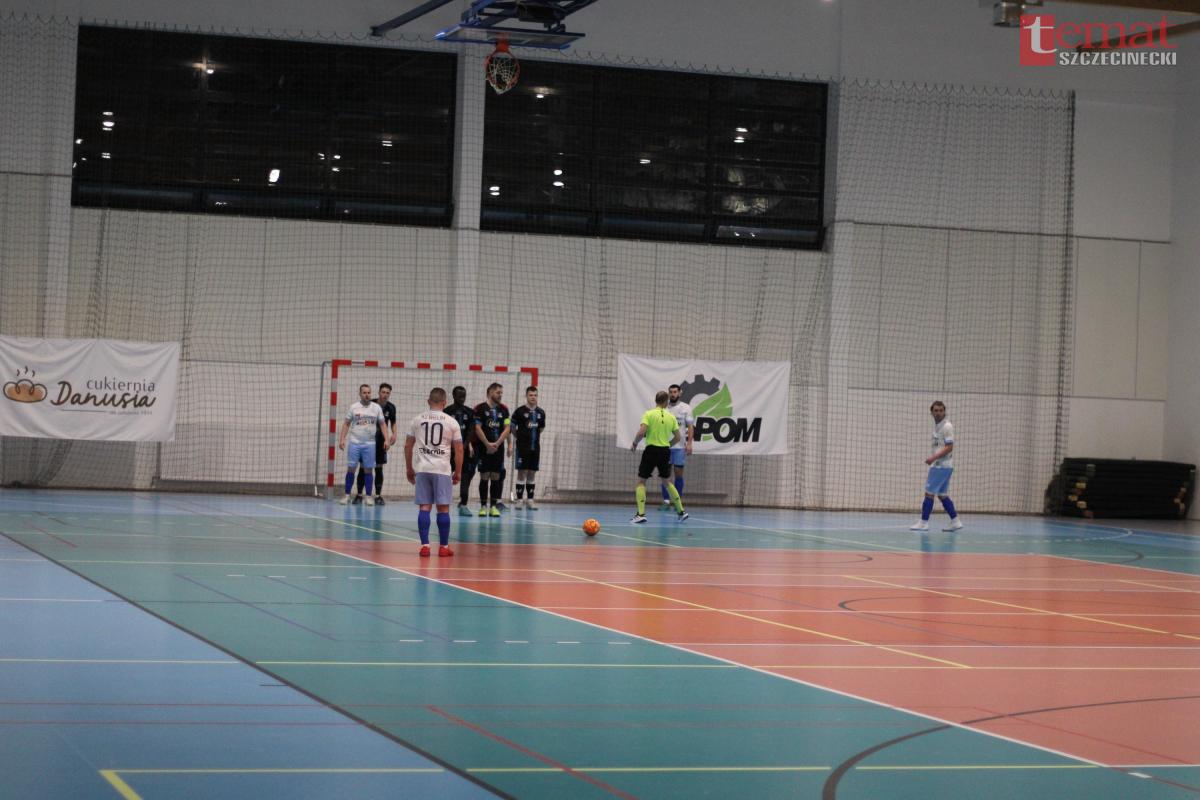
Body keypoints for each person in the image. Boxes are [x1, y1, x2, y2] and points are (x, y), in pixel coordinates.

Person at [404, 387, 464, 557]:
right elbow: (459, 449)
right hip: (442, 469)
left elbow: (408, 445)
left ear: (428, 401)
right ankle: (443, 547)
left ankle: (425, 546)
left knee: (424, 507)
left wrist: (409, 468)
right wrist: (458, 472)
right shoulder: (452, 422)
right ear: (445, 402)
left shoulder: (417, 420)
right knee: (443, 509)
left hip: (423, 469)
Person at [629, 390, 688, 524]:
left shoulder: (649, 414)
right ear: (666, 402)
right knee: (667, 481)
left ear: (655, 401)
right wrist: (667, 444)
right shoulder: (671, 417)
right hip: (665, 451)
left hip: (651, 450)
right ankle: (681, 511)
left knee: (641, 481)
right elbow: (678, 437)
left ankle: (641, 514)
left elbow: (641, 432)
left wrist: (635, 443)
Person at [910, 400, 964, 532]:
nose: (938, 413)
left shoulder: (947, 426)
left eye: (941, 410)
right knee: (942, 494)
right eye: (936, 411)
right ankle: (955, 521)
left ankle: (923, 522)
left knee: (929, 493)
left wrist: (933, 458)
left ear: (944, 411)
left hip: (941, 466)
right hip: (944, 466)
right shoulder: (938, 426)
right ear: (932, 412)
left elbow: (949, 447)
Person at [337, 384, 392, 507]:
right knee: (351, 468)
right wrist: (342, 439)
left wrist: (387, 439)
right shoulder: (354, 407)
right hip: (355, 443)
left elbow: (383, 424)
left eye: (369, 393)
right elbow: (346, 423)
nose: (367, 395)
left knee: (368, 469)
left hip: (370, 444)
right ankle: (347, 495)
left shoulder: (376, 408)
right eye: (364, 393)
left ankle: (368, 496)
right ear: (360, 394)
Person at [354, 382, 397, 505]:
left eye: (387, 393)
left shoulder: (391, 407)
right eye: (383, 392)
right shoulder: (370, 404)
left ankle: (378, 496)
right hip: (367, 441)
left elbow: (393, 423)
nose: (385, 395)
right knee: (363, 468)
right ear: (378, 393)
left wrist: (394, 434)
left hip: (380, 442)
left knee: (378, 468)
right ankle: (359, 495)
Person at [473, 382, 510, 517]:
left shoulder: (504, 410)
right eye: (498, 392)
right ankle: (483, 506)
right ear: (490, 392)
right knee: (484, 476)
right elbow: (477, 428)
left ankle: (493, 507)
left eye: (501, 393)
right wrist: (487, 444)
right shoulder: (479, 409)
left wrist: (499, 444)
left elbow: (507, 428)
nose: (500, 395)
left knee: (495, 476)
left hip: (498, 450)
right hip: (483, 448)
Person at [510, 385, 546, 509]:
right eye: (531, 395)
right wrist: (519, 437)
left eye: (535, 395)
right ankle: (519, 500)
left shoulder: (541, 413)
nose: (533, 397)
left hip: (535, 448)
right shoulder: (519, 411)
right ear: (526, 396)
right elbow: (512, 427)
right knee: (522, 472)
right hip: (522, 448)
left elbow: (541, 428)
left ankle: (530, 500)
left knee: (532, 473)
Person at [444, 385, 478, 516]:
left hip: (464, 450)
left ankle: (463, 504)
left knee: (466, 475)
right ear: (454, 396)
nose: (462, 398)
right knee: (446, 476)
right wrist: (450, 446)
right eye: (460, 395)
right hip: (448, 450)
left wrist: (465, 445)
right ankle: (444, 502)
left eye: (464, 396)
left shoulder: (469, 412)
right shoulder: (447, 411)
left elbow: (471, 431)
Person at [660, 383, 694, 510]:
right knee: (665, 475)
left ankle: (677, 502)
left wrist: (689, 443)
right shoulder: (664, 408)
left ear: (680, 393)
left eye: (675, 392)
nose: (673, 394)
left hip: (679, 447)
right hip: (665, 446)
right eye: (671, 392)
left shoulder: (686, 408)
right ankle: (666, 502)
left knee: (678, 474)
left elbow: (690, 427)